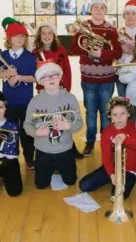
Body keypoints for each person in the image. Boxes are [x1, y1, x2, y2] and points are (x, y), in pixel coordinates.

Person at [70, 0, 122, 156]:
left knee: (106, 113)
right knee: (91, 112)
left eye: (102, 7)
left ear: (106, 10)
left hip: (106, 79)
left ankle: (106, 141)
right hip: (88, 79)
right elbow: (74, 48)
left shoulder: (111, 29)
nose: (99, 10)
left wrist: (101, 53)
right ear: (91, 9)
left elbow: (118, 52)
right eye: (96, 7)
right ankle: (90, 141)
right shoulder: (84, 26)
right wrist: (85, 46)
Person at [24, 61, 83, 189]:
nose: (50, 79)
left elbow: (79, 123)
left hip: (66, 150)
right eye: (45, 76)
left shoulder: (70, 98)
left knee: (71, 182)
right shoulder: (35, 101)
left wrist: (68, 127)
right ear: (40, 81)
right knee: (41, 185)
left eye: (54, 75)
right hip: (43, 150)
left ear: (60, 77)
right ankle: (53, 167)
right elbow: (27, 125)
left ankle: (58, 166)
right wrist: (36, 133)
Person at [0, 17, 37, 169]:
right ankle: (12, 157)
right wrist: (5, 73)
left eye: (23, 36)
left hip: (26, 102)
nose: (20, 39)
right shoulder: (3, 56)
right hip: (8, 103)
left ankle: (29, 158)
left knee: (27, 133)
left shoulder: (30, 57)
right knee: (9, 132)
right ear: (9, 38)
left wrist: (19, 77)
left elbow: (36, 78)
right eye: (16, 36)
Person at [32, 21, 82, 158]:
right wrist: (41, 89)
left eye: (50, 33)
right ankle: (46, 148)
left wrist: (66, 90)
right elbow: (34, 74)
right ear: (39, 36)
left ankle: (70, 147)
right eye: (43, 33)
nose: (47, 36)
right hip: (44, 92)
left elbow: (67, 71)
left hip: (61, 90)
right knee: (46, 121)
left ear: (54, 35)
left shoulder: (61, 50)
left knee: (63, 120)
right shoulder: (35, 53)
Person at [79, 97, 136, 201]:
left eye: (123, 113)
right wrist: (111, 174)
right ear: (110, 116)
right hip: (113, 166)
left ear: (129, 114)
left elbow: (135, 145)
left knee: (117, 196)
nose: (119, 118)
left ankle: (119, 184)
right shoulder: (107, 131)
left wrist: (125, 138)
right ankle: (111, 180)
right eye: (115, 115)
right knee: (84, 185)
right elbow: (106, 156)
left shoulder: (134, 127)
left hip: (130, 169)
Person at [115, 0, 136, 97]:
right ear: (124, 16)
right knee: (123, 100)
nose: (130, 16)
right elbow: (113, 52)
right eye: (127, 14)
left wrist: (134, 50)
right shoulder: (118, 32)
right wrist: (120, 50)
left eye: (133, 13)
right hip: (121, 70)